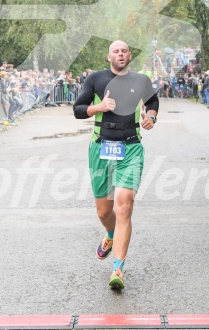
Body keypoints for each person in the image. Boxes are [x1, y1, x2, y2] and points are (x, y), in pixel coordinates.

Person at [73, 40, 159, 290]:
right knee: (104, 211)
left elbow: (152, 102)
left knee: (124, 207)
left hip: (131, 147)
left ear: (129, 55)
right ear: (108, 56)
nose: (120, 54)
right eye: (116, 51)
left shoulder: (141, 80)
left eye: (124, 51)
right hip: (101, 147)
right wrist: (98, 107)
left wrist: (151, 117)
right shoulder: (96, 79)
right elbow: (77, 109)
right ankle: (110, 234)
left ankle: (118, 268)